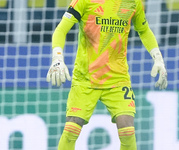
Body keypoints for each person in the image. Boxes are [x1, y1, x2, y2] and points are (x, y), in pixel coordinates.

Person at [46, 0, 168, 149]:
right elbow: (61, 30)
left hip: (118, 79)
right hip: (86, 78)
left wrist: (158, 59)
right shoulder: (84, 1)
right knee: (72, 128)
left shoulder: (133, 3)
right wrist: (57, 58)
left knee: (127, 129)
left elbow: (144, 30)